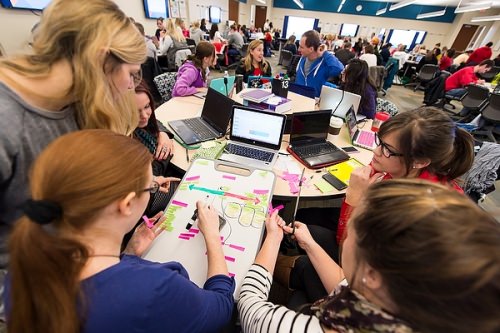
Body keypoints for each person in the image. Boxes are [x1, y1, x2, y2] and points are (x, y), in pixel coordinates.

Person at [5, 129, 235, 333]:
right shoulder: (155, 288)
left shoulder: (24, 268)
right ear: (126, 205)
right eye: (150, 186)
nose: (154, 188)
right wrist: (213, 235)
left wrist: (130, 254)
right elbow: (221, 307)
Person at [0, 0, 147, 316]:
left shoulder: (75, 103)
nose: (130, 86)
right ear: (101, 58)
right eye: (132, 74)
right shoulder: (6, 123)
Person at [238, 179, 500, 333]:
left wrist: (272, 238)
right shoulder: (405, 306)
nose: (346, 238)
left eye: (352, 233)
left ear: (372, 274)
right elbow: (345, 285)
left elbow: (249, 305)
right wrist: (309, 244)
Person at [285, 107, 475, 304]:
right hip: (375, 271)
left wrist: (354, 200)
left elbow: (349, 255)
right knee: (305, 230)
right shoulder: (405, 172)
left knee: (307, 269)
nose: (376, 151)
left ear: (419, 161)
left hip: (387, 300)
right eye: (380, 142)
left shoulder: (416, 214)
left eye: (387, 149)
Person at [295, 30, 344, 97]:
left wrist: (325, 53)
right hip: (298, 99)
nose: (298, 49)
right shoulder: (301, 59)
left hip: (314, 103)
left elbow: (340, 69)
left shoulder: (323, 63)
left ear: (311, 49)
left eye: (301, 47)